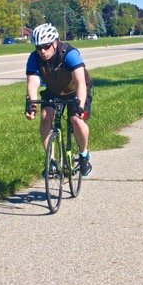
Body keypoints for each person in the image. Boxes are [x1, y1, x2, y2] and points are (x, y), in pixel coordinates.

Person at [24, 23, 93, 176]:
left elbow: (80, 82)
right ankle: (52, 162)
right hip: (54, 90)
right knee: (45, 116)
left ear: (55, 43)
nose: (42, 51)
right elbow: (33, 83)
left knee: (76, 120)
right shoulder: (34, 58)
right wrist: (32, 106)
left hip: (76, 90)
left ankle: (83, 155)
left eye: (46, 46)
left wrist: (80, 106)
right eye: (39, 47)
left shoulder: (69, 53)